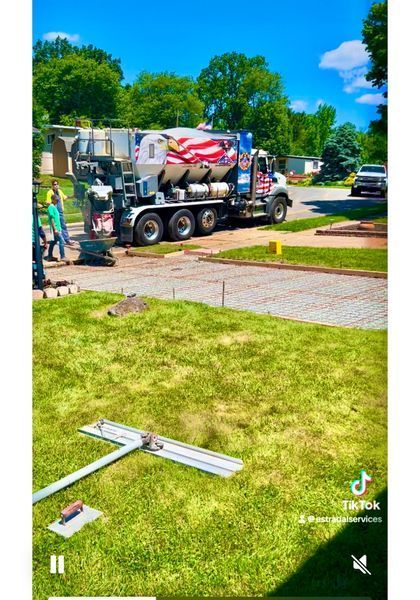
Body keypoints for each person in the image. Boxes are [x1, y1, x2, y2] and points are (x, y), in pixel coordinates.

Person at [46, 180, 75, 245]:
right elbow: (48, 202)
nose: (56, 185)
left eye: (57, 184)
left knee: (63, 225)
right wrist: (50, 203)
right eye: (54, 184)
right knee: (56, 226)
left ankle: (67, 240)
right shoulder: (50, 192)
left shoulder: (60, 191)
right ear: (52, 185)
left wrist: (72, 196)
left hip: (60, 211)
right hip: (54, 212)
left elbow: (65, 197)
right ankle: (58, 240)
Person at [46, 194, 66, 262]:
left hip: (57, 228)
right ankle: (63, 256)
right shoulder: (51, 207)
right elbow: (52, 219)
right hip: (56, 228)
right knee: (61, 241)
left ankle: (49, 256)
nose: (58, 201)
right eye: (56, 200)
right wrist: (55, 229)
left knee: (53, 242)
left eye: (58, 200)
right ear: (53, 200)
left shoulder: (54, 207)